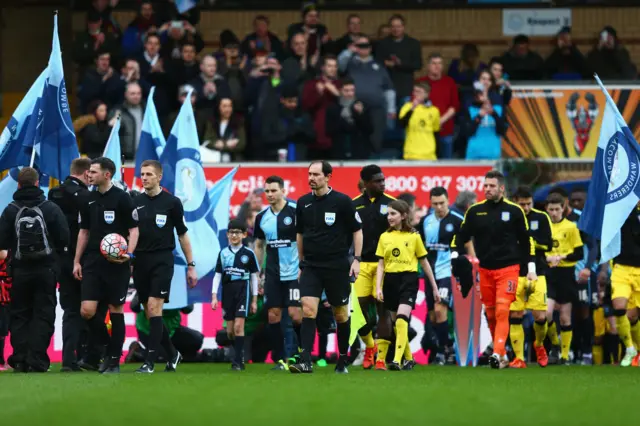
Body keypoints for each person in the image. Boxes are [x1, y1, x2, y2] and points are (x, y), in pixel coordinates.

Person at [450, 170, 535, 369]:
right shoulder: (475, 211)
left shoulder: (515, 211)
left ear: (502, 188)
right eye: (485, 186)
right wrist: (455, 256)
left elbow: (526, 241)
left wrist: (530, 268)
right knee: (490, 314)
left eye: (491, 186)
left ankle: (496, 352)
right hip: (485, 269)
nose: (487, 189)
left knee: (503, 309)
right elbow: (460, 236)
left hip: (509, 268)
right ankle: (503, 355)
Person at [289, 161, 363, 374]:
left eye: (316, 174)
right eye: (309, 174)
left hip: (337, 265)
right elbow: (300, 234)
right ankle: (305, 361)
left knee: (340, 315)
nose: (311, 178)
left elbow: (357, 231)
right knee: (308, 310)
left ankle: (342, 359)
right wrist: (301, 262)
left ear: (328, 176)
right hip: (311, 265)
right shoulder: (303, 203)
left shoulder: (342, 202)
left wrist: (356, 259)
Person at [0, 167, 70, 373]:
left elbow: (2, 241)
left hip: (20, 271)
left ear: (19, 185)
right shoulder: (50, 208)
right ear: (38, 183)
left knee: (20, 314)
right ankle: (37, 360)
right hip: (46, 270)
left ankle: (20, 359)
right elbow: (64, 238)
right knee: (43, 314)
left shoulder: (11, 210)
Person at [74, 157, 139, 374]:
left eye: (93, 172)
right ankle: (108, 347)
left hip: (116, 263)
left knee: (115, 309)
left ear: (107, 174)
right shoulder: (87, 198)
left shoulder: (122, 198)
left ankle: (113, 361)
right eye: (88, 171)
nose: (88, 175)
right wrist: (76, 261)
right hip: (92, 261)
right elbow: (84, 232)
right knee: (87, 311)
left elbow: (134, 230)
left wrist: (129, 254)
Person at [132, 160, 198, 373]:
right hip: (140, 261)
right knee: (150, 313)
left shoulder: (172, 202)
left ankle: (149, 363)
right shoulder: (135, 201)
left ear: (159, 177)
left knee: (154, 308)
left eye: (149, 174)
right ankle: (172, 353)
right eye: (142, 174)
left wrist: (191, 264)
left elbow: (183, 235)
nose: (144, 178)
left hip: (162, 260)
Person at [375, 199, 439, 370]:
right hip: (390, 281)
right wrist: (378, 287)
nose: (389, 217)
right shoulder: (384, 236)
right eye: (388, 213)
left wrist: (434, 287)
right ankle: (409, 358)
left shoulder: (414, 236)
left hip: (408, 279)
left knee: (402, 319)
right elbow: (381, 264)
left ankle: (397, 360)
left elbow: (424, 263)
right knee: (397, 323)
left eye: (393, 214)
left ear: (403, 216)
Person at [48, 158, 94, 372]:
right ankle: (86, 356)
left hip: (60, 260)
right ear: (86, 173)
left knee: (70, 311)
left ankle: (68, 359)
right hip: (82, 260)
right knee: (88, 309)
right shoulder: (87, 197)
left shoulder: (53, 194)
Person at [253, 176, 302, 370]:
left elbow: (304, 239)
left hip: (294, 273)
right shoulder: (262, 217)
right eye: (267, 191)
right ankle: (280, 359)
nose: (270, 195)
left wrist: (303, 265)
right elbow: (259, 245)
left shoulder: (295, 212)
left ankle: (300, 354)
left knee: (296, 315)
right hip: (272, 273)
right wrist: (257, 272)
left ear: (283, 190)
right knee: (273, 315)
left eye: (274, 190)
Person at [351, 165, 395, 370]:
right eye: (378, 181)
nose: (382, 184)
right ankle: (370, 346)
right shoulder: (353, 205)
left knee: (383, 310)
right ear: (366, 183)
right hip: (361, 263)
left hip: (384, 265)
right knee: (358, 310)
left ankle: (380, 359)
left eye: (383, 180)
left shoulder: (392, 203)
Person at [418, 187, 466, 365]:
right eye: (435, 204)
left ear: (448, 201)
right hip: (430, 273)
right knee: (432, 315)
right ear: (431, 203)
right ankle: (444, 346)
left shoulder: (458, 220)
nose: (439, 207)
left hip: (448, 272)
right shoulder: (425, 221)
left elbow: (467, 243)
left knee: (440, 310)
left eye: (442, 203)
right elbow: (420, 245)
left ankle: (444, 349)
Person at [509, 186, 554, 368]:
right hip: (514, 272)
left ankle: (539, 344)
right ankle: (519, 358)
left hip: (538, 273)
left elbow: (549, 245)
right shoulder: (509, 218)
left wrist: (530, 243)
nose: (526, 208)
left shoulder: (541, 217)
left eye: (528, 204)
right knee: (515, 314)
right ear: (515, 202)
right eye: (522, 204)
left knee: (540, 316)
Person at [211, 219, 260, 371]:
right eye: (231, 232)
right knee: (230, 331)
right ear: (227, 235)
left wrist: (254, 299)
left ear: (244, 235)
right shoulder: (223, 253)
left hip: (242, 291)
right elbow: (218, 275)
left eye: (238, 232)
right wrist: (214, 296)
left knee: (240, 326)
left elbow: (253, 277)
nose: (234, 235)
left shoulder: (248, 254)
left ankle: (238, 360)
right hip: (227, 293)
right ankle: (238, 352)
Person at [545, 193, 584, 365]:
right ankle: (555, 343)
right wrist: (548, 258)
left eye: (557, 209)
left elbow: (579, 253)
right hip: (549, 274)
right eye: (551, 209)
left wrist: (563, 256)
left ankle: (565, 355)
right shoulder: (543, 227)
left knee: (565, 317)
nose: (554, 213)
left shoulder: (571, 227)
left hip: (566, 274)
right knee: (546, 313)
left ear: (563, 209)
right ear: (546, 209)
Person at [608, 203, 640, 367]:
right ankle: (629, 348)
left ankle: (638, 350)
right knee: (619, 308)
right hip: (622, 267)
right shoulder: (623, 209)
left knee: (633, 316)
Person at [398, 82, 440, 160]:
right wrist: (412, 108)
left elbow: (436, 132)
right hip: (411, 154)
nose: (416, 94)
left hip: (429, 155)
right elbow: (402, 125)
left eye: (419, 92)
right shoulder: (407, 107)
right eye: (415, 91)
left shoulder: (434, 111)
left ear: (427, 94)